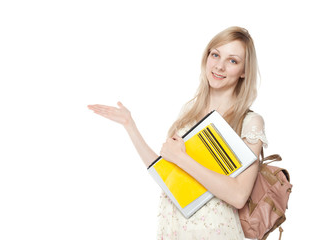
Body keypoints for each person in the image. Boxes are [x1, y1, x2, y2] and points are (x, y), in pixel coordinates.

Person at [88, 26, 268, 240]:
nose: (219, 66)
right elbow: (167, 176)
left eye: (232, 60)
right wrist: (130, 125)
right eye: (215, 54)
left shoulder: (250, 122)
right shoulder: (189, 112)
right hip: (173, 227)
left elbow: (238, 196)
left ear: (244, 71)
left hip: (214, 232)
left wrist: (181, 157)